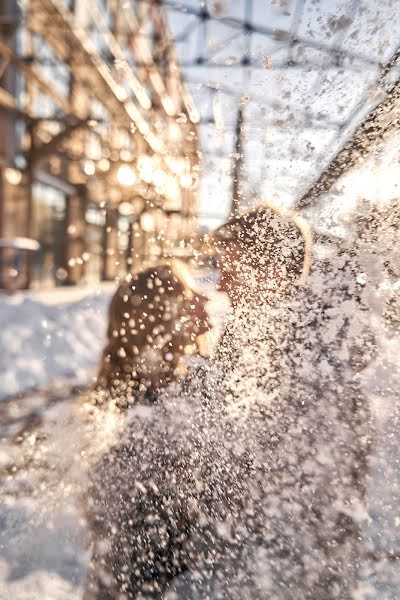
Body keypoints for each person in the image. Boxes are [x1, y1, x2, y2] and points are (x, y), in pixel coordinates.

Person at [83, 203, 375, 599]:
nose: (219, 286)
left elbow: (304, 536)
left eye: (230, 268)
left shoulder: (316, 383)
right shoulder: (248, 353)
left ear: (268, 273)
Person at [91, 259, 210, 409]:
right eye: (189, 295)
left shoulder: (195, 376)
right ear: (160, 323)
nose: (204, 298)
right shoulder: (144, 410)